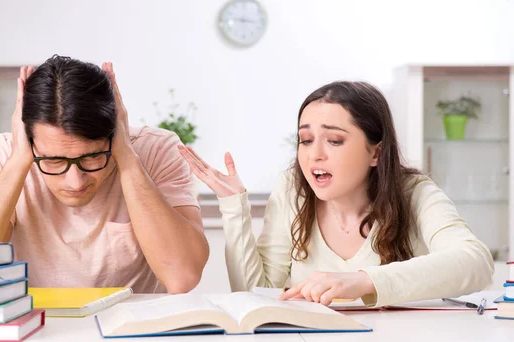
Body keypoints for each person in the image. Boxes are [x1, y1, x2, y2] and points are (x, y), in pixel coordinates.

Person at [178, 81, 494, 307]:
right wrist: (234, 206)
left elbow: (475, 261)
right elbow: (254, 293)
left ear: (375, 153)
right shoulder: (293, 190)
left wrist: (362, 281)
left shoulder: (415, 193)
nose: (314, 155)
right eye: (305, 140)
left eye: (334, 141)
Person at [0, 55, 209, 293]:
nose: (74, 181)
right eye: (53, 161)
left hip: (134, 336)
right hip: (35, 330)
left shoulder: (156, 150)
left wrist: (126, 157)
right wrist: (19, 161)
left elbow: (181, 278)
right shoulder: (2, 155)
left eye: (91, 157)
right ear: (27, 137)